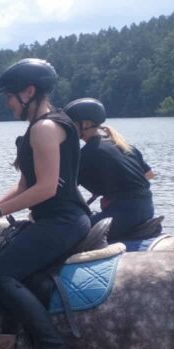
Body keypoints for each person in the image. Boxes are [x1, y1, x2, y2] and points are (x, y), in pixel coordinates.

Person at [0, 58, 90, 349]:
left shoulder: (44, 129)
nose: (7, 103)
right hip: (59, 219)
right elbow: (24, 186)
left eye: (9, 96)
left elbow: (46, 189)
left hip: (62, 221)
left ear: (29, 92)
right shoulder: (42, 127)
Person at [65, 97, 156, 241]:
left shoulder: (87, 153)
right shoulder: (123, 145)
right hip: (147, 208)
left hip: (125, 214)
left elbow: (66, 189)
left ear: (86, 123)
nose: (69, 129)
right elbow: (149, 175)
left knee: (68, 231)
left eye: (72, 124)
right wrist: (116, 187)